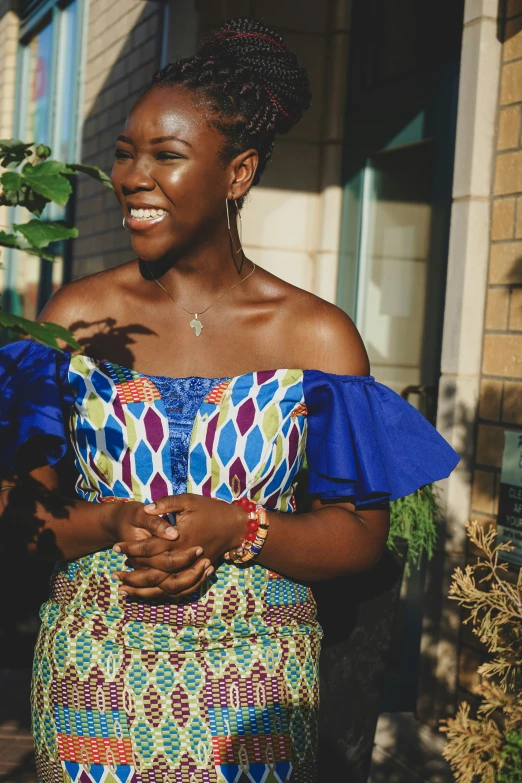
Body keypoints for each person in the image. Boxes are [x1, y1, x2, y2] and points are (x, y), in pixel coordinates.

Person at [0, 17, 459, 783]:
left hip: (256, 690)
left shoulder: (316, 337)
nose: (132, 176)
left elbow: (359, 537)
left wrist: (239, 525)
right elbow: (20, 514)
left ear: (238, 172)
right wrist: (111, 520)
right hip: (93, 672)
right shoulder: (72, 322)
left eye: (166, 156)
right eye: (124, 154)